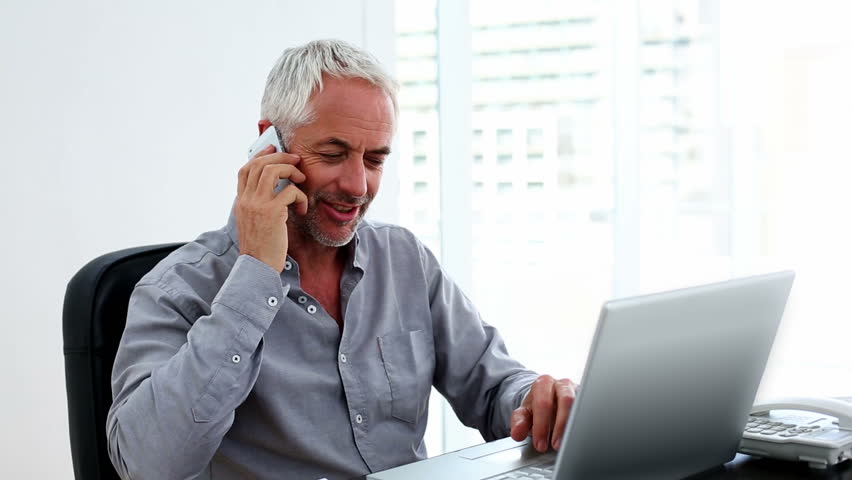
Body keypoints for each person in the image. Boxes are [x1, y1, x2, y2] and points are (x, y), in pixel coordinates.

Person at [106, 39, 577, 480]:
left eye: (374, 160)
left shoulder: (403, 260)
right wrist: (255, 276)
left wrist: (535, 400)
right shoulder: (177, 289)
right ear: (270, 145)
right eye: (334, 153)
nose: (358, 186)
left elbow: (494, 387)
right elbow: (147, 464)